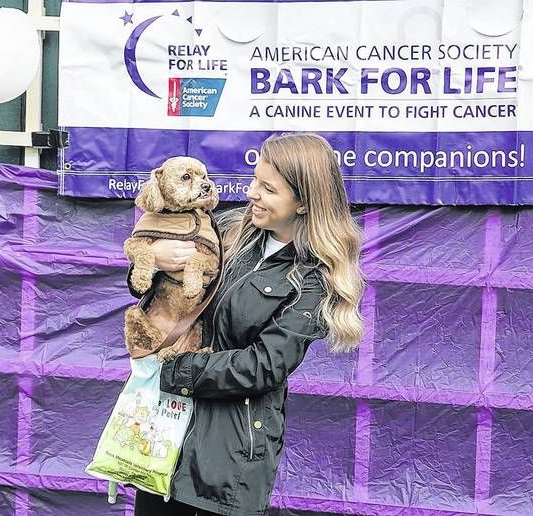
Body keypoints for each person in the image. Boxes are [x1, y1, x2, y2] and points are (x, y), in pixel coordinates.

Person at [128, 133, 365, 516]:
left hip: (227, 455)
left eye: (268, 189)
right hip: (165, 436)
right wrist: (153, 258)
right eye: (255, 180)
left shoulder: (313, 279)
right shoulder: (226, 229)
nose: (252, 193)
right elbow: (156, 289)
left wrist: (172, 369)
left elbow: (263, 366)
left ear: (303, 203)